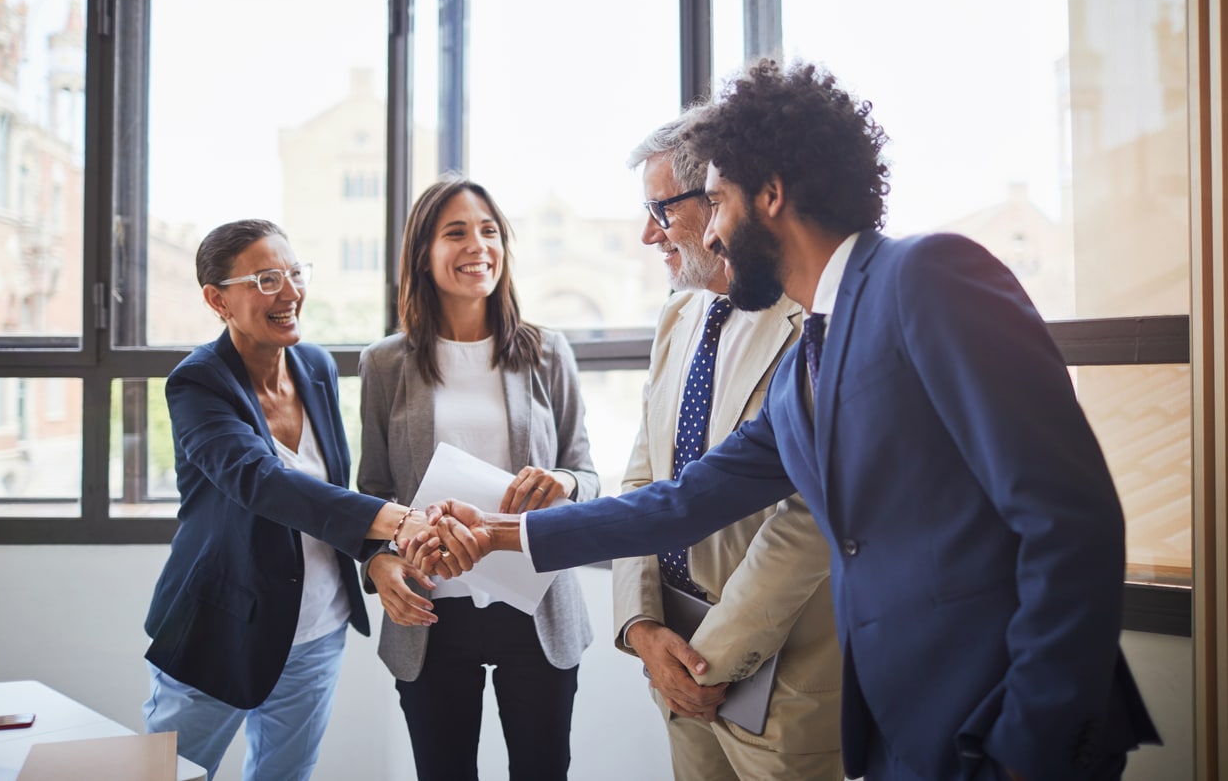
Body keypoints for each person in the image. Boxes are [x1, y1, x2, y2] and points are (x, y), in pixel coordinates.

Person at [423, 59, 1162, 781]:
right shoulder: (809, 357)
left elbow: (1072, 521)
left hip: (1001, 726)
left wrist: (1030, 745)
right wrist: (500, 536)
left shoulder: (929, 276)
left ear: (770, 194)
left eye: (715, 202)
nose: (708, 235)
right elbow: (682, 503)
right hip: (900, 731)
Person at [142, 219, 460, 780]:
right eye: (266, 279)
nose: (290, 293)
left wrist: (375, 553)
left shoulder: (314, 365)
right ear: (218, 300)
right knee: (168, 775)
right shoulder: (198, 384)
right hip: (220, 629)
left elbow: (330, 492)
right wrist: (393, 520)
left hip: (316, 631)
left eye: (293, 273)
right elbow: (258, 481)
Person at [615, 111, 842, 780]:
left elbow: (808, 522)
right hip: (671, 653)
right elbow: (642, 481)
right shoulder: (678, 312)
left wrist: (708, 657)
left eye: (662, 209)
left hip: (783, 677)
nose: (648, 233)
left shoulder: (812, 323)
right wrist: (641, 628)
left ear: (722, 198)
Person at [357, 175, 597, 781]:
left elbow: (588, 474)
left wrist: (565, 483)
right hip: (432, 609)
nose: (478, 246)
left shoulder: (547, 351)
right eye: (456, 232)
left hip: (536, 604)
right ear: (423, 253)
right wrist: (378, 562)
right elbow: (371, 493)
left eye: (489, 231)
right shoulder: (385, 363)